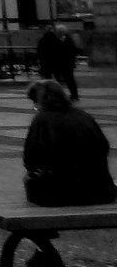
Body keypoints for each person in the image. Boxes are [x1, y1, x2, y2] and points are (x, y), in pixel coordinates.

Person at [22, 80, 114, 208]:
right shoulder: (84, 116)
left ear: (39, 101)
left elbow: (30, 159)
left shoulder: (42, 120)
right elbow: (103, 146)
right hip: (100, 190)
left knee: (30, 180)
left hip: (61, 194)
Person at [52, 25, 80, 101]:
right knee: (65, 79)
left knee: (69, 79)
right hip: (63, 62)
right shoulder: (65, 39)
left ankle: (74, 94)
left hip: (66, 62)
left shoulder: (67, 40)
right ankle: (68, 94)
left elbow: (72, 50)